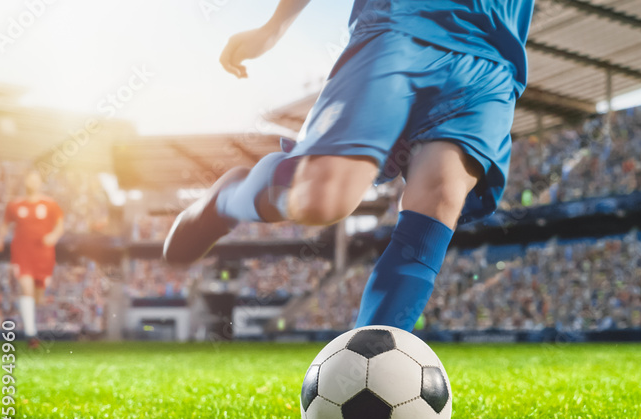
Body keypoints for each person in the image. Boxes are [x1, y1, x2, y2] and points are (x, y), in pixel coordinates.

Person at [164, 0, 533, 334]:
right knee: (321, 201)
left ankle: (371, 360)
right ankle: (228, 199)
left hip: (495, 56)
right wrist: (273, 27)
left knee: (440, 199)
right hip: (403, 23)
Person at [0, 169, 64, 348]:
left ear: (40, 182)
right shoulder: (15, 205)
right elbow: (5, 223)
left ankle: (32, 322)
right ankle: (31, 335)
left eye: (35, 179)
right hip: (22, 254)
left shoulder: (50, 204)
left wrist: (53, 236)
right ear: (26, 182)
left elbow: (60, 225)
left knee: (38, 297)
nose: (32, 182)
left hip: (44, 255)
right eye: (29, 179)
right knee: (26, 288)